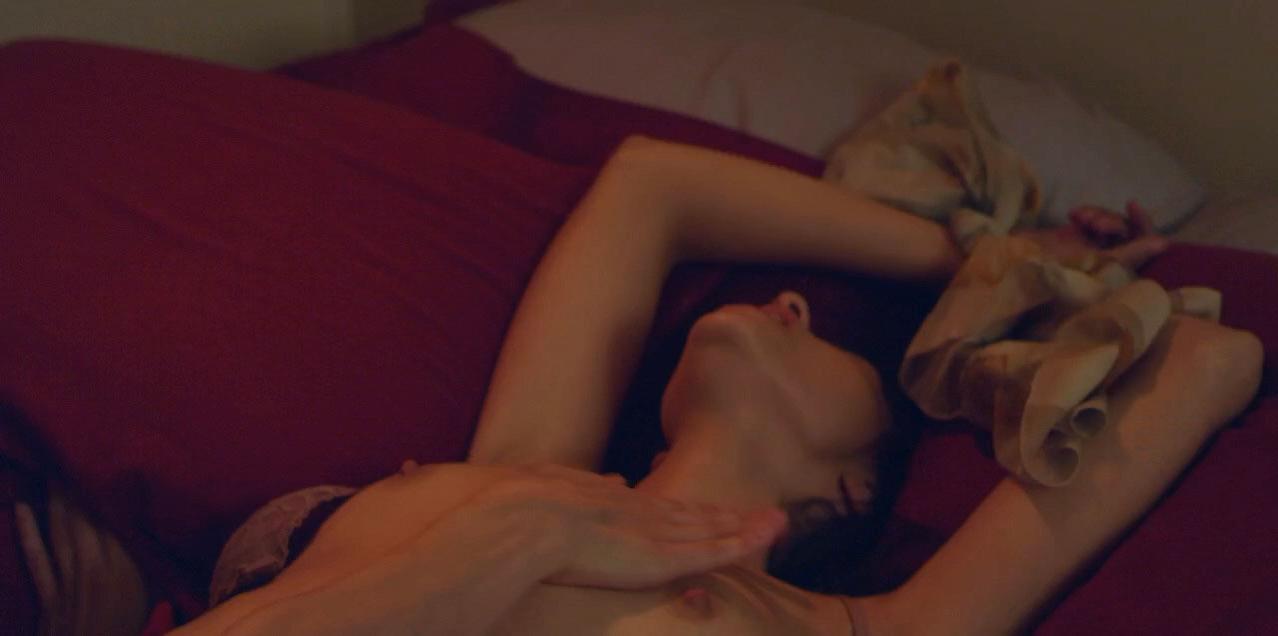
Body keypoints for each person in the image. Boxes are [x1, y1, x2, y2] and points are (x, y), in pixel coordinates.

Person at [174, 137, 1262, 635]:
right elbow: (653, 185)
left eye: (833, 347)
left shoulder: (877, 624)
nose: (790, 303)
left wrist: (1036, 300)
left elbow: (1217, 357)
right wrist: (978, 255)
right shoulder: (532, 467)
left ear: (859, 484)